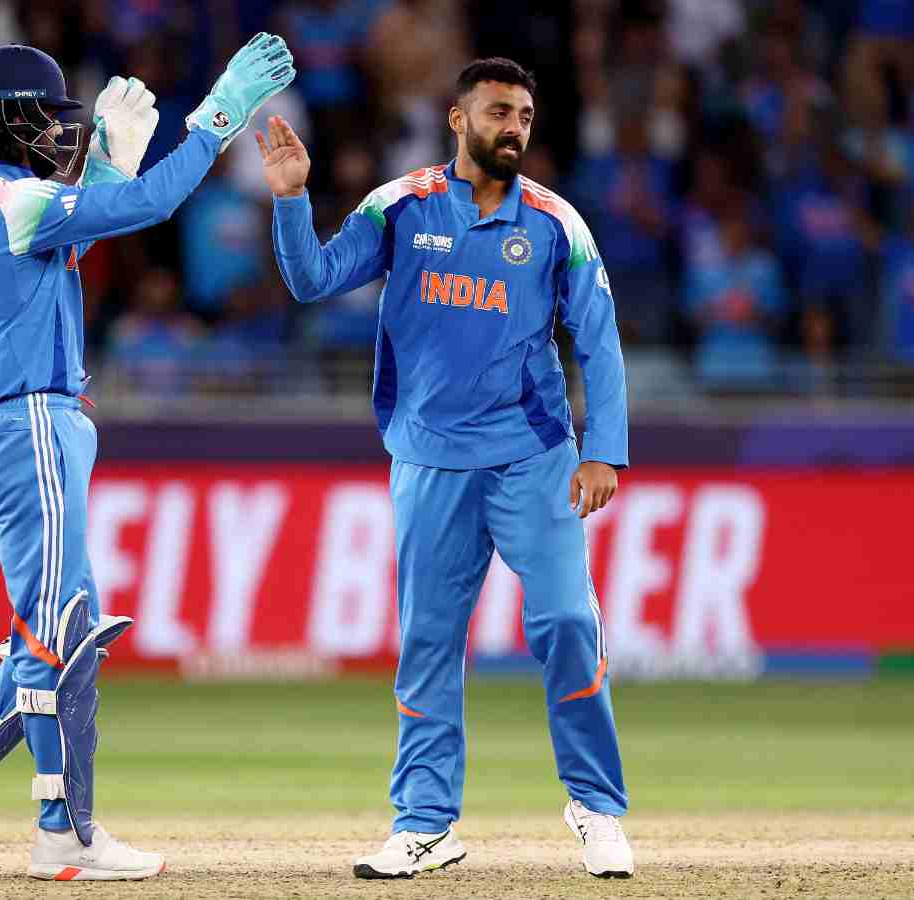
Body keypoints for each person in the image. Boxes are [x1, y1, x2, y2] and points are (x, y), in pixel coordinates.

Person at [0, 38, 295, 881]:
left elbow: (70, 241)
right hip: (29, 426)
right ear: (8, 118)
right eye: (44, 116)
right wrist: (218, 115)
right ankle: (65, 834)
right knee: (56, 636)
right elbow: (148, 205)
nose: (56, 130)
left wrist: (108, 165)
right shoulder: (15, 198)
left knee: (59, 625)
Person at [259, 57, 634, 880]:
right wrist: (290, 198)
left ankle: (596, 807)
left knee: (569, 624)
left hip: (533, 456)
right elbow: (312, 279)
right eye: (499, 111)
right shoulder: (401, 206)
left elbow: (599, 341)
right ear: (459, 120)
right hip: (430, 458)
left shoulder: (557, 223)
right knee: (429, 643)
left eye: (525, 115)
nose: (515, 127)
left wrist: (604, 448)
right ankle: (426, 824)